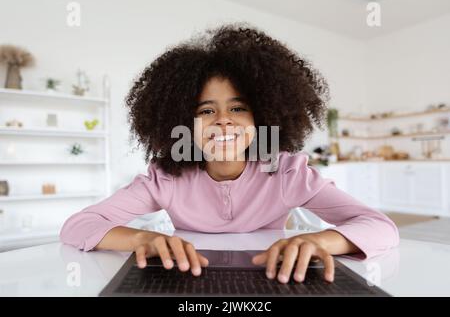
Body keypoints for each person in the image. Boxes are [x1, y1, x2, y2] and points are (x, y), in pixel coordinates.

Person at [60, 24, 399, 284]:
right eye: (206, 111)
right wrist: (141, 238)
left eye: (238, 107)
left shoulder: (286, 173)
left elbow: (380, 227)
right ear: (183, 121)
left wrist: (320, 241)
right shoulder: (165, 179)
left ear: (263, 116)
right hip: (187, 282)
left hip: (268, 280)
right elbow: (78, 226)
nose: (223, 120)